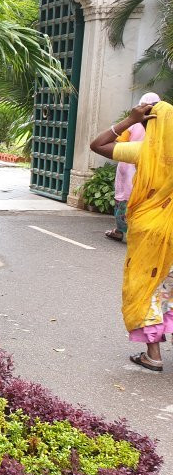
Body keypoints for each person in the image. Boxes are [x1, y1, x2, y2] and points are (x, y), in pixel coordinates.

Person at [89, 99, 173, 371]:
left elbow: (97, 145)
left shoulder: (141, 151)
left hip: (150, 230)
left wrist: (130, 120)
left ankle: (154, 355)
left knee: (148, 287)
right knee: (170, 289)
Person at [105, 91, 161, 242]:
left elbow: (117, 142)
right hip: (151, 167)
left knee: (123, 197)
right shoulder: (163, 125)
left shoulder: (133, 123)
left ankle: (120, 230)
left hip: (129, 161)